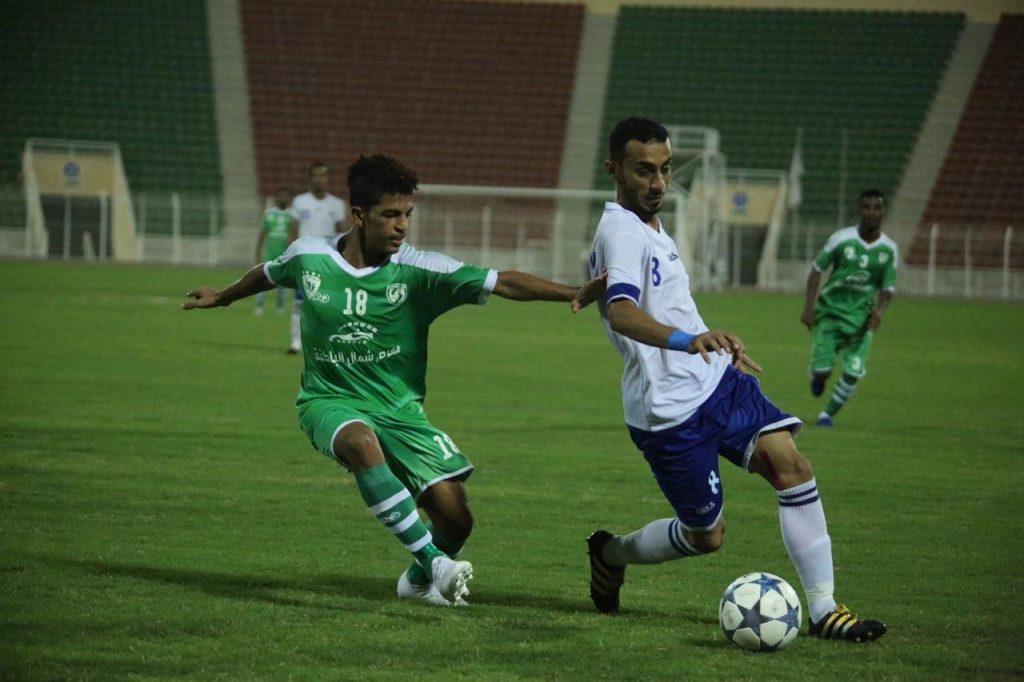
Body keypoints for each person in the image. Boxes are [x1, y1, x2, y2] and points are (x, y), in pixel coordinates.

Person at [184, 154, 599, 606]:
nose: (402, 226)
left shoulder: (420, 270)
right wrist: (224, 296)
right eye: (390, 215)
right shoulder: (310, 256)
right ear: (359, 215)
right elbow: (268, 272)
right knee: (361, 442)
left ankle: (417, 582)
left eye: (407, 214)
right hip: (327, 400)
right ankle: (436, 564)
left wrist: (574, 292)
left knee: (456, 518)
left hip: (399, 411)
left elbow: (503, 283)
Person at [578, 117, 886, 642]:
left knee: (792, 466)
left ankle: (823, 610)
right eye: (644, 171)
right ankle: (611, 553)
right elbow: (624, 313)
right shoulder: (622, 231)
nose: (658, 182)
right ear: (613, 170)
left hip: (717, 380)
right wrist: (690, 340)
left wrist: (711, 343)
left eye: (665, 169)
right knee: (707, 536)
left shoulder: (648, 225)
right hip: (668, 413)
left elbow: (663, 301)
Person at [800, 190, 898, 427]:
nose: (871, 212)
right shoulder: (841, 239)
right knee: (823, 371)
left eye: (876, 207)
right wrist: (808, 307)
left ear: (883, 212)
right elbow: (816, 270)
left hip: (861, 320)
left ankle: (827, 416)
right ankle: (818, 377)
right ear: (859, 210)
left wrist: (879, 313)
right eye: (866, 207)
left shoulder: (889, 250)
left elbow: (888, 289)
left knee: (853, 372)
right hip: (830, 315)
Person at [286, 161, 347, 353]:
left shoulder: (336, 204)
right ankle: (296, 343)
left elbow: (341, 234)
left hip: (328, 261)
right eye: (315, 175)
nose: (319, 179)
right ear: (309, 178)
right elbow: (293, 230)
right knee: (300, 303)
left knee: (328, 304)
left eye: (322, 175)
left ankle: (326, 343)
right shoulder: (299, 202)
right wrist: (291, 256)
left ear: (327, 178)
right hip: (305, 259)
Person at [253, 187, 293, 316]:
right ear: (276, 198)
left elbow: (293, 235)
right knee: (262, 279)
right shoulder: (269, 214)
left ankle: (280, 306)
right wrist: (258, 251)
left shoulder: (292, 215)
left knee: (282, 281)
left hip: (284, 253)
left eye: (285, 196)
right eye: (280, 195)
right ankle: (260, 306)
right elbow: (262, 233)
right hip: (269, 253)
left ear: (289, 199)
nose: (283, 198)